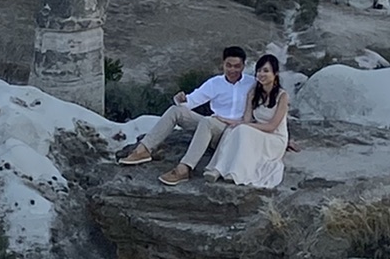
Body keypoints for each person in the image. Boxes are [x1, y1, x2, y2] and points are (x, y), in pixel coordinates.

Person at [117, 47, 254, 185]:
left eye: (237, 66)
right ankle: (143, 150)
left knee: (207, 122)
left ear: (243, 65)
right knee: (176, 110)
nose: (232, 70)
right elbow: (193, 100)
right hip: (215, 124)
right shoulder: (215, 83)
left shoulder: (252, 83)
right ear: (223, 64)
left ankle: (185, 168)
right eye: (228, 65)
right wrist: (182, 99)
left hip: (236, 130)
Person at [204, 52, 289, 190]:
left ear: (275, 73)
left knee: (243, 129)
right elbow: (246, 119)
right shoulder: (253, 93)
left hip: (275, 138)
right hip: (259, 132)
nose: (261, 74)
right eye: (259, 71)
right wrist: (224, 120)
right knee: (232, 130)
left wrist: (246, 126)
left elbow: (272, 126)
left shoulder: (282, 96)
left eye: (266, 71)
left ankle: (236, 172)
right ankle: (217, 169)